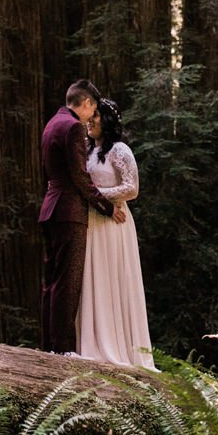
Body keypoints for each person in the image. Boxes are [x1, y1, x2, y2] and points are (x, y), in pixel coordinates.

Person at [38, 79, 125, 353]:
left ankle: (48, 344)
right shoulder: (73, 127)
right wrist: (107, 208)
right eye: (94, 108)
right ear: (86, 103)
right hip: (69, 211)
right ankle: (63, 347)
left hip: (50, 207)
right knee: (67, 281)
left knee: (51, 280)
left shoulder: (52, 123)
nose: (93, 115)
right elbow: (80, 177)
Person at [77, 98, 151, 368]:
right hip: (92, 221)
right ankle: (93, 343)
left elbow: (132, 188)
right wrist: (93, 199)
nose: (90, 121)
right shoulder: (87, 150)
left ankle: (119, 348)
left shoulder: (120, 150)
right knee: (92, 278)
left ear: (106, 120)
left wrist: (98, 197)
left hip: (114, 224)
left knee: (113, 278)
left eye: (95, 116)